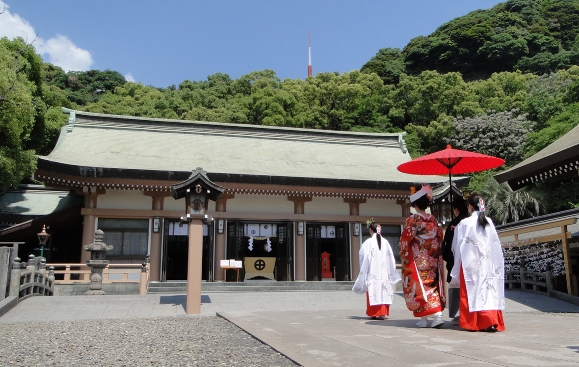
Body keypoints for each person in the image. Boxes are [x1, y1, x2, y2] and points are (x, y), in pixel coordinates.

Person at [450, 192, 505, 332]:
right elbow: (495, 244)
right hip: (488, 263)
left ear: (469, 207)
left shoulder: (464, 223)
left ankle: (474, 322)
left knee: (471, 290)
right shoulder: (489, 222)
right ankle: (490, 319)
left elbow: (456, 246)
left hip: (470, 263)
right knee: (489, 290)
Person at [400, 184, 446, 328]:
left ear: (414, 204)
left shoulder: (413, 220)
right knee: (433, 285)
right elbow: (439, 236)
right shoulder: (433, 220)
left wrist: (403, 252)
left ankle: (424, 319)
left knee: (419, 286)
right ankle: (437, 316)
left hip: (418, 260)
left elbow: (405, 239)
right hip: (432, 257)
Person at [352, 220, 401, 320]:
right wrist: (391, 271)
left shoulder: (368, 243)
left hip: (373, 272)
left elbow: (363, 257)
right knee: (384, 291)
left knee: (374, 290)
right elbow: (391, 258)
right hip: (384, 273)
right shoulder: (386, 242)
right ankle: (382, 313)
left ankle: (374, 313)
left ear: (371, 230)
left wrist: (364, 270)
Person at [441, 197, 469, 324]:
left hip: (455, 261)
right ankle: (469, 312)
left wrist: (448, 258)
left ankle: (457, 313)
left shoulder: (455, 224)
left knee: (456, 287)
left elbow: (446, 246)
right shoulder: (473, 222)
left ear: (456, 209)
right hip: (471, 261)